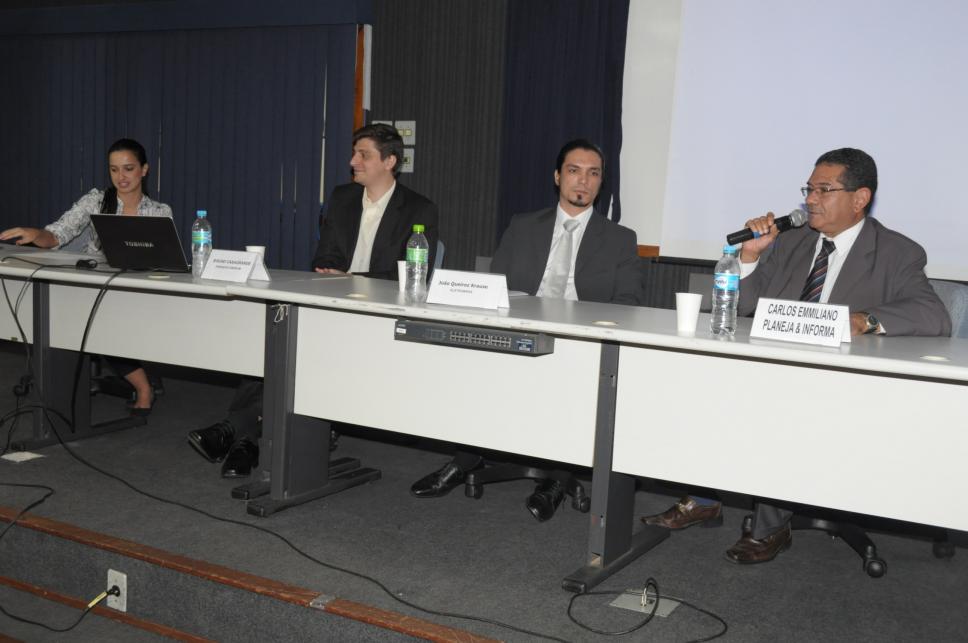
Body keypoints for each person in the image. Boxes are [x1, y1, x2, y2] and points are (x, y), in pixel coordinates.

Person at [641, 147, 951, 564]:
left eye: (824, 190)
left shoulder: (897, 252)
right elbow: (740, 305)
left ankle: (768, 527)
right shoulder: (790, 242)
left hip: (840, 381)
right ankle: (703, 494)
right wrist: (750, 256)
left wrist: (865, 320)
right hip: (772, 366)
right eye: (809, 190)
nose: (810, 200)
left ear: (860, 198)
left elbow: (934, 315)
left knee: (783, 405)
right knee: (698, 382)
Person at [188, 122, 439, 477]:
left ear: (390, 161)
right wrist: (335, 277)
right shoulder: (343, 197)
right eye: (354, 153)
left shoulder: (418, 209)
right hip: (332, 301)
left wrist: (350, 279)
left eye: (363, 155)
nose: (353, 161)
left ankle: (235, 433)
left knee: (297, 347)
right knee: (277, 338)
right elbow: (325, 256)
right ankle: (246, 442)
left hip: (379, 314)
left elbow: (409, 276)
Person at [410, 138, 642, 506]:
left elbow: (628, 305)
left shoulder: (620, 239)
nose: (583, 181)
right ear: (557, 177)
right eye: (574, 171)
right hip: (520, 333)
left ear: (601, 182)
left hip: (579, 344)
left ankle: (557, 478)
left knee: (570, 379)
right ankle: (464, 460)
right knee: (472, 363)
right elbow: (495, 286)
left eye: (593, 173)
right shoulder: (523, 226)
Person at [0, 138, 172, 415]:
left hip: (136, 287)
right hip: (93, 284)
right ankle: (137, 385)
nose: (121, 176)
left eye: (128, 168)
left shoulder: (160, 212)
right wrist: (36, 234)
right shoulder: (96, 201)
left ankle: (143, 388)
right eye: (114, 169)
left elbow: (163, 259)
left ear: (144, 169)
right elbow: (58, 233)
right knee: (89, 320)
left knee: (107, 322)